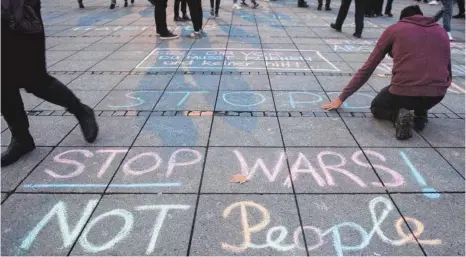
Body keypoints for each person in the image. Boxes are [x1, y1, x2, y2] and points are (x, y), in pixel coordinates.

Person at [322, 5, 451, 140]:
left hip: (405, 94)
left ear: (403, 19)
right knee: (421, 89)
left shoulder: (395, 30)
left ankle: (397, 117)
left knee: (377, 106)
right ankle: (420, 115)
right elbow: (448, 71)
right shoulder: (442, 32)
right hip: (436, 96)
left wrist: (341, 98)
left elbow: (368, 67)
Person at [1, 0, 99, 167]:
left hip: (23, 13)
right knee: (3, 82)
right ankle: (21, 138)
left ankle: (81, 111)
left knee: (35, 80)